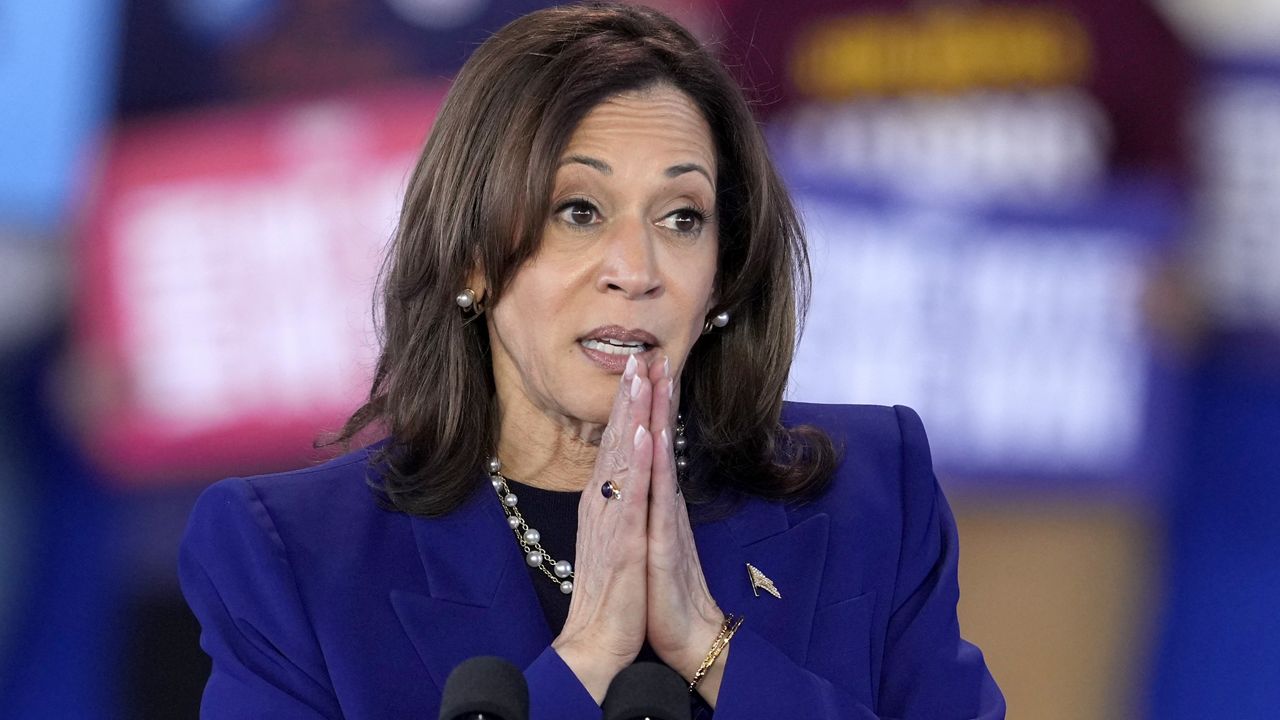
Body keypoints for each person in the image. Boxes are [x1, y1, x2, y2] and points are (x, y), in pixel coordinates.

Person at [179, 3, 1005, 718]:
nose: (637, 269)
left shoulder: (873, 494)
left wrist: (710, 649)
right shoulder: (291, 558)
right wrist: (583, 666)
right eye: (580, 210)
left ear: (723, 272)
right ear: (471, 255)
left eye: (682, 218)